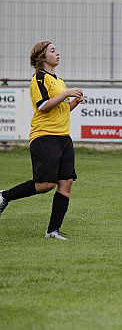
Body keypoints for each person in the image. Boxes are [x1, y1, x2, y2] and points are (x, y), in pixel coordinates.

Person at [0, 41, 84, 240]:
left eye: (56, 50)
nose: (57, 53)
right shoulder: (39, 78)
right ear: (42, 57)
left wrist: (73, 103)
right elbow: (44, 106)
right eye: (52, 51)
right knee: (46, 184)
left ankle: (52, 231)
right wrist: (66, 94)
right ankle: (4, 196)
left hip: (63, 137)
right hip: (44, 136)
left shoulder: (59, 81)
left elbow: (60, 110)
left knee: (66, 182)